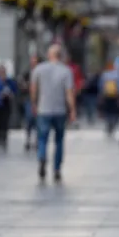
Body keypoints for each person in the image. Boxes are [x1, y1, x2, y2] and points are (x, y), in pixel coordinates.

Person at [30, 44, 77, 181]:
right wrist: (72, 110)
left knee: (42, 138)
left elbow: (33, 89)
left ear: (49, 55)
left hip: (43, 109)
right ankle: (56, 169)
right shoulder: (66, 71)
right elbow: (69, 92)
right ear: (60, 56)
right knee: (59, 140)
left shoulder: (38, 69)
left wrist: (34, 103)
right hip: (59, 110)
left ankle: (42, 157)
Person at [0, 64, 18, 150]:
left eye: (3, 72)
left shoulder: (9, 81)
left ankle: (4, 138)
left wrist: (11, 94)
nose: (2, 73)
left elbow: (14, 90)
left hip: (6, 104)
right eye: (1, 72)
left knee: (5, 121)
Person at [19, 55, 40, 151]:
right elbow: (21, 85)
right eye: (32, 61)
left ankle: (37, 141)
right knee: (29, 120)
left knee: (38, 121)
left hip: (39, 100)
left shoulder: (41, 73)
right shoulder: (27, 73)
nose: (33, 63)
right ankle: (28, 140)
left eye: (35, 61)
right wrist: (26, 86)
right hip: (29, 99)